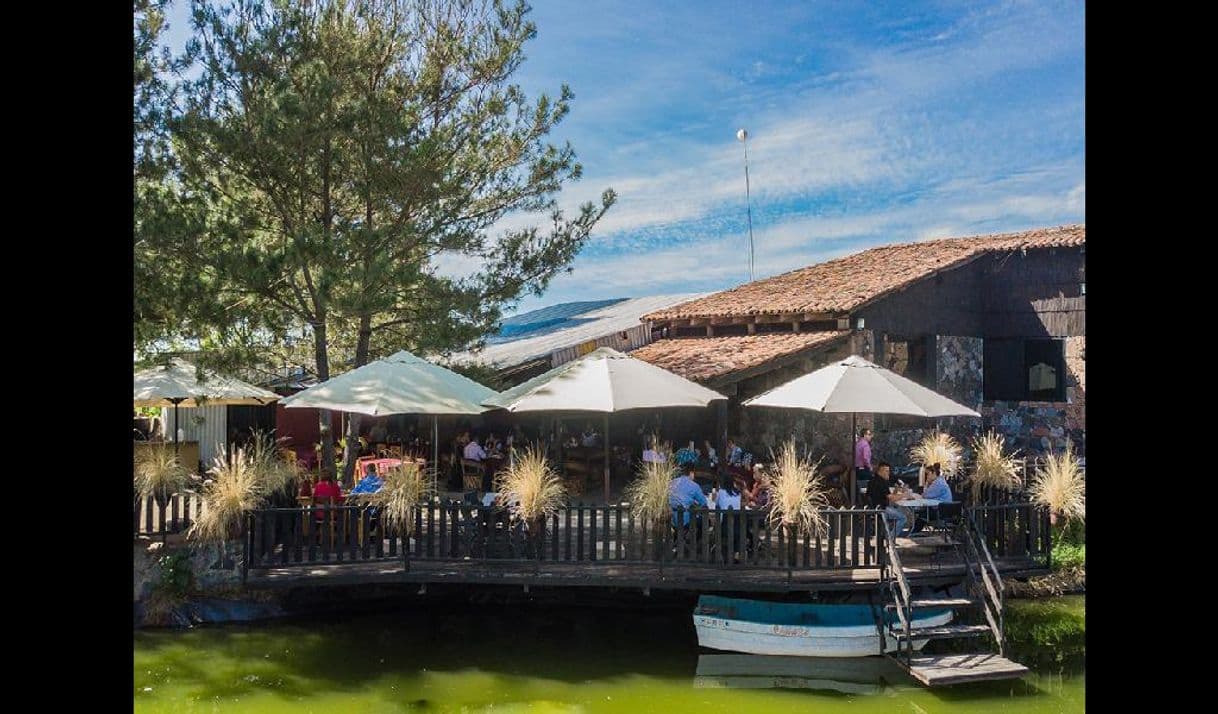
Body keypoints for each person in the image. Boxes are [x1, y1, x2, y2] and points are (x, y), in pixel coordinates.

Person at [865, 461, 912, 541]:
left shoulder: (872, 480)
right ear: (881, 471)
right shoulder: (881, 482)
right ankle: (890, 538)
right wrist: (905, 495)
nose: (888, 473)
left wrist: (896, 491)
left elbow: (887, 496)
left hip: (874, 508)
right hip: (882, 509)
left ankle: (889, 535)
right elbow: (891, 498)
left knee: (897, 509)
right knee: (903, 518)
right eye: (886, 471)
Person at [854, 428, 874, 493]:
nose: (871, 436)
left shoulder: (858, 443)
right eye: (869, 434)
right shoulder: (865, 444)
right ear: (864, 435)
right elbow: (865, 458)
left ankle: (861, 501)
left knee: (861, 489)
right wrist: (869, 466)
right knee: (869, 488)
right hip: (864, 469)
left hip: (857, 469)